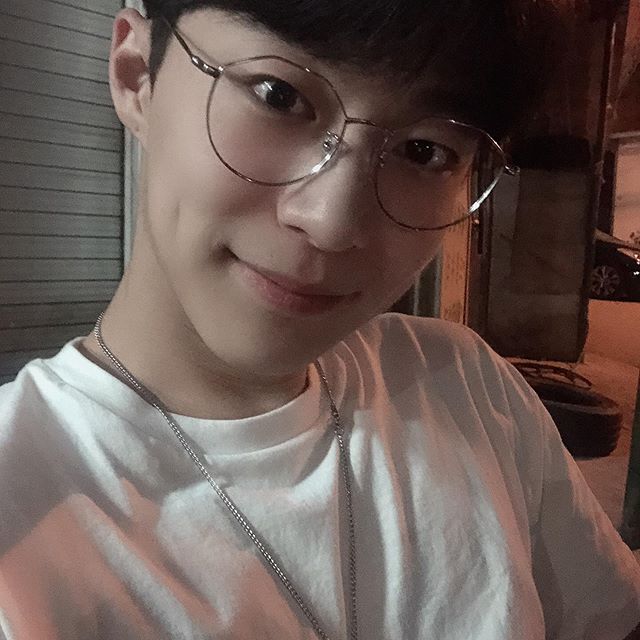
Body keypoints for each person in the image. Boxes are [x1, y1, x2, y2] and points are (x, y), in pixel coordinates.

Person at [0, 1, 639, 638]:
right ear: (138, 75)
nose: (332, 223)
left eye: (425, 151)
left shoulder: (468, 388)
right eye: (277, 96)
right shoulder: (22, 514)